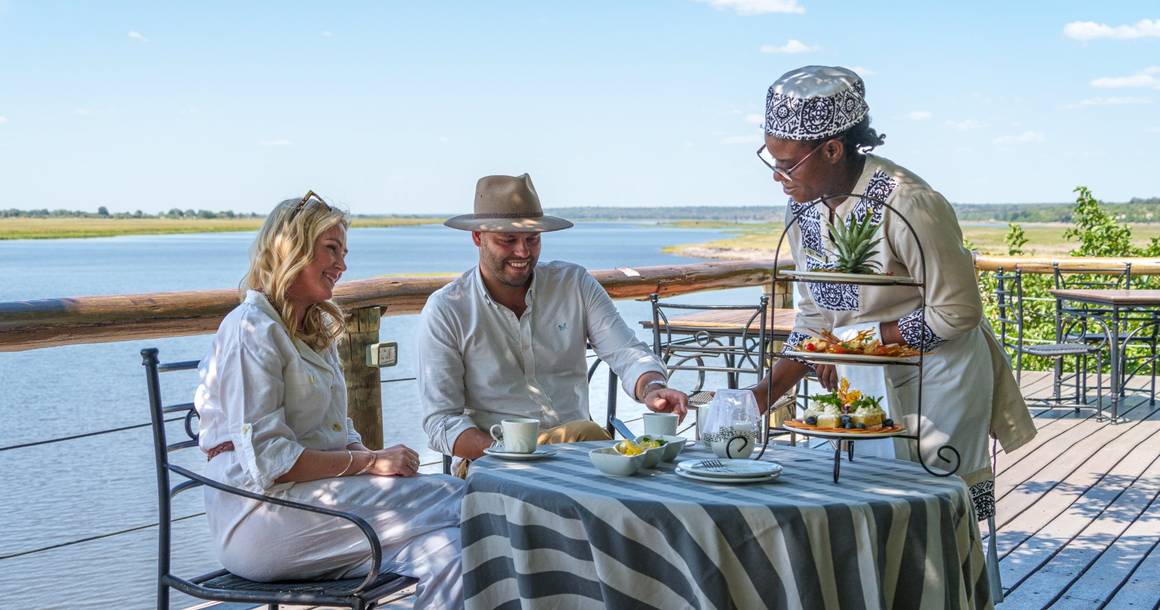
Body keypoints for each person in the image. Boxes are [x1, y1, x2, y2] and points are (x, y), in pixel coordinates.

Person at [750, 66, 1036, 520]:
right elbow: (814, 317)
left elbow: (957, 311)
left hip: (937, 384)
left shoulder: (909, 202)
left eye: (788, 165)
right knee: (867, 513)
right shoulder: (802, 207)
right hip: (862, 389)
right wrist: (759, 399)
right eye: (771, 161)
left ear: (831, 149)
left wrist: (860, 341)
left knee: (939, 518)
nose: (777, 177)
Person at [194, 191, 464, 608]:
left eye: (344, 251)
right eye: (331, 250)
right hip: (262, 520)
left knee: (453, 549)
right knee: (463, 498)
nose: (342, 264)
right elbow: (271, 460)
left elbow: (338, 430)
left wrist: (373, 461)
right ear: (292, 250)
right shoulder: (250, 331)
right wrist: (372, 462)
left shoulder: (313, 329)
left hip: (321, 513)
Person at [417, 173, 689, 477]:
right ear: (478, 237)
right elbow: (441, 421)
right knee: (601, 449)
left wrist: (652, 388)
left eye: (532, 239)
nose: (523, 252)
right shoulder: (447, 309)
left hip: (578, 457)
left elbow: (626, 351)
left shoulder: (574, 284)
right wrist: (512, 453)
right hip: (492, 466)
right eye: (508, 240)